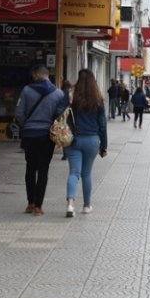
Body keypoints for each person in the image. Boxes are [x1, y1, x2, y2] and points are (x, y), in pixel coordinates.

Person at [56, 69, 107, 217]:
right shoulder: (98, 99)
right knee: (86, 174)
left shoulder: (70, 95)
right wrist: (104, 146)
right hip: (92, 140)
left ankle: (70, 204)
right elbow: (102, 125)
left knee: (74, 172)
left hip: (74, 139)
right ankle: (86, 205)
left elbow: (59, 112)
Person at [15, 64, 64, 216]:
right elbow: (59, 117)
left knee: (30, 168)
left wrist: (27, 125)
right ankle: (38, 206)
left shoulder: (27, 90)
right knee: (43, 169)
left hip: (29, 135)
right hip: (46, 137)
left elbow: (19, 113)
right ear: (47, 75)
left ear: (36, 75)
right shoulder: (58, 94)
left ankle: (30, 203)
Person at [60, 80, 73, 161]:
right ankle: (69, 152)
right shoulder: (70, 93)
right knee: (69, 133)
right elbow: (71, 102)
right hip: (69, 114)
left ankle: (65, 154)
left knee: (63, 133)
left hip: (61, 114)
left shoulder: (60, 93)